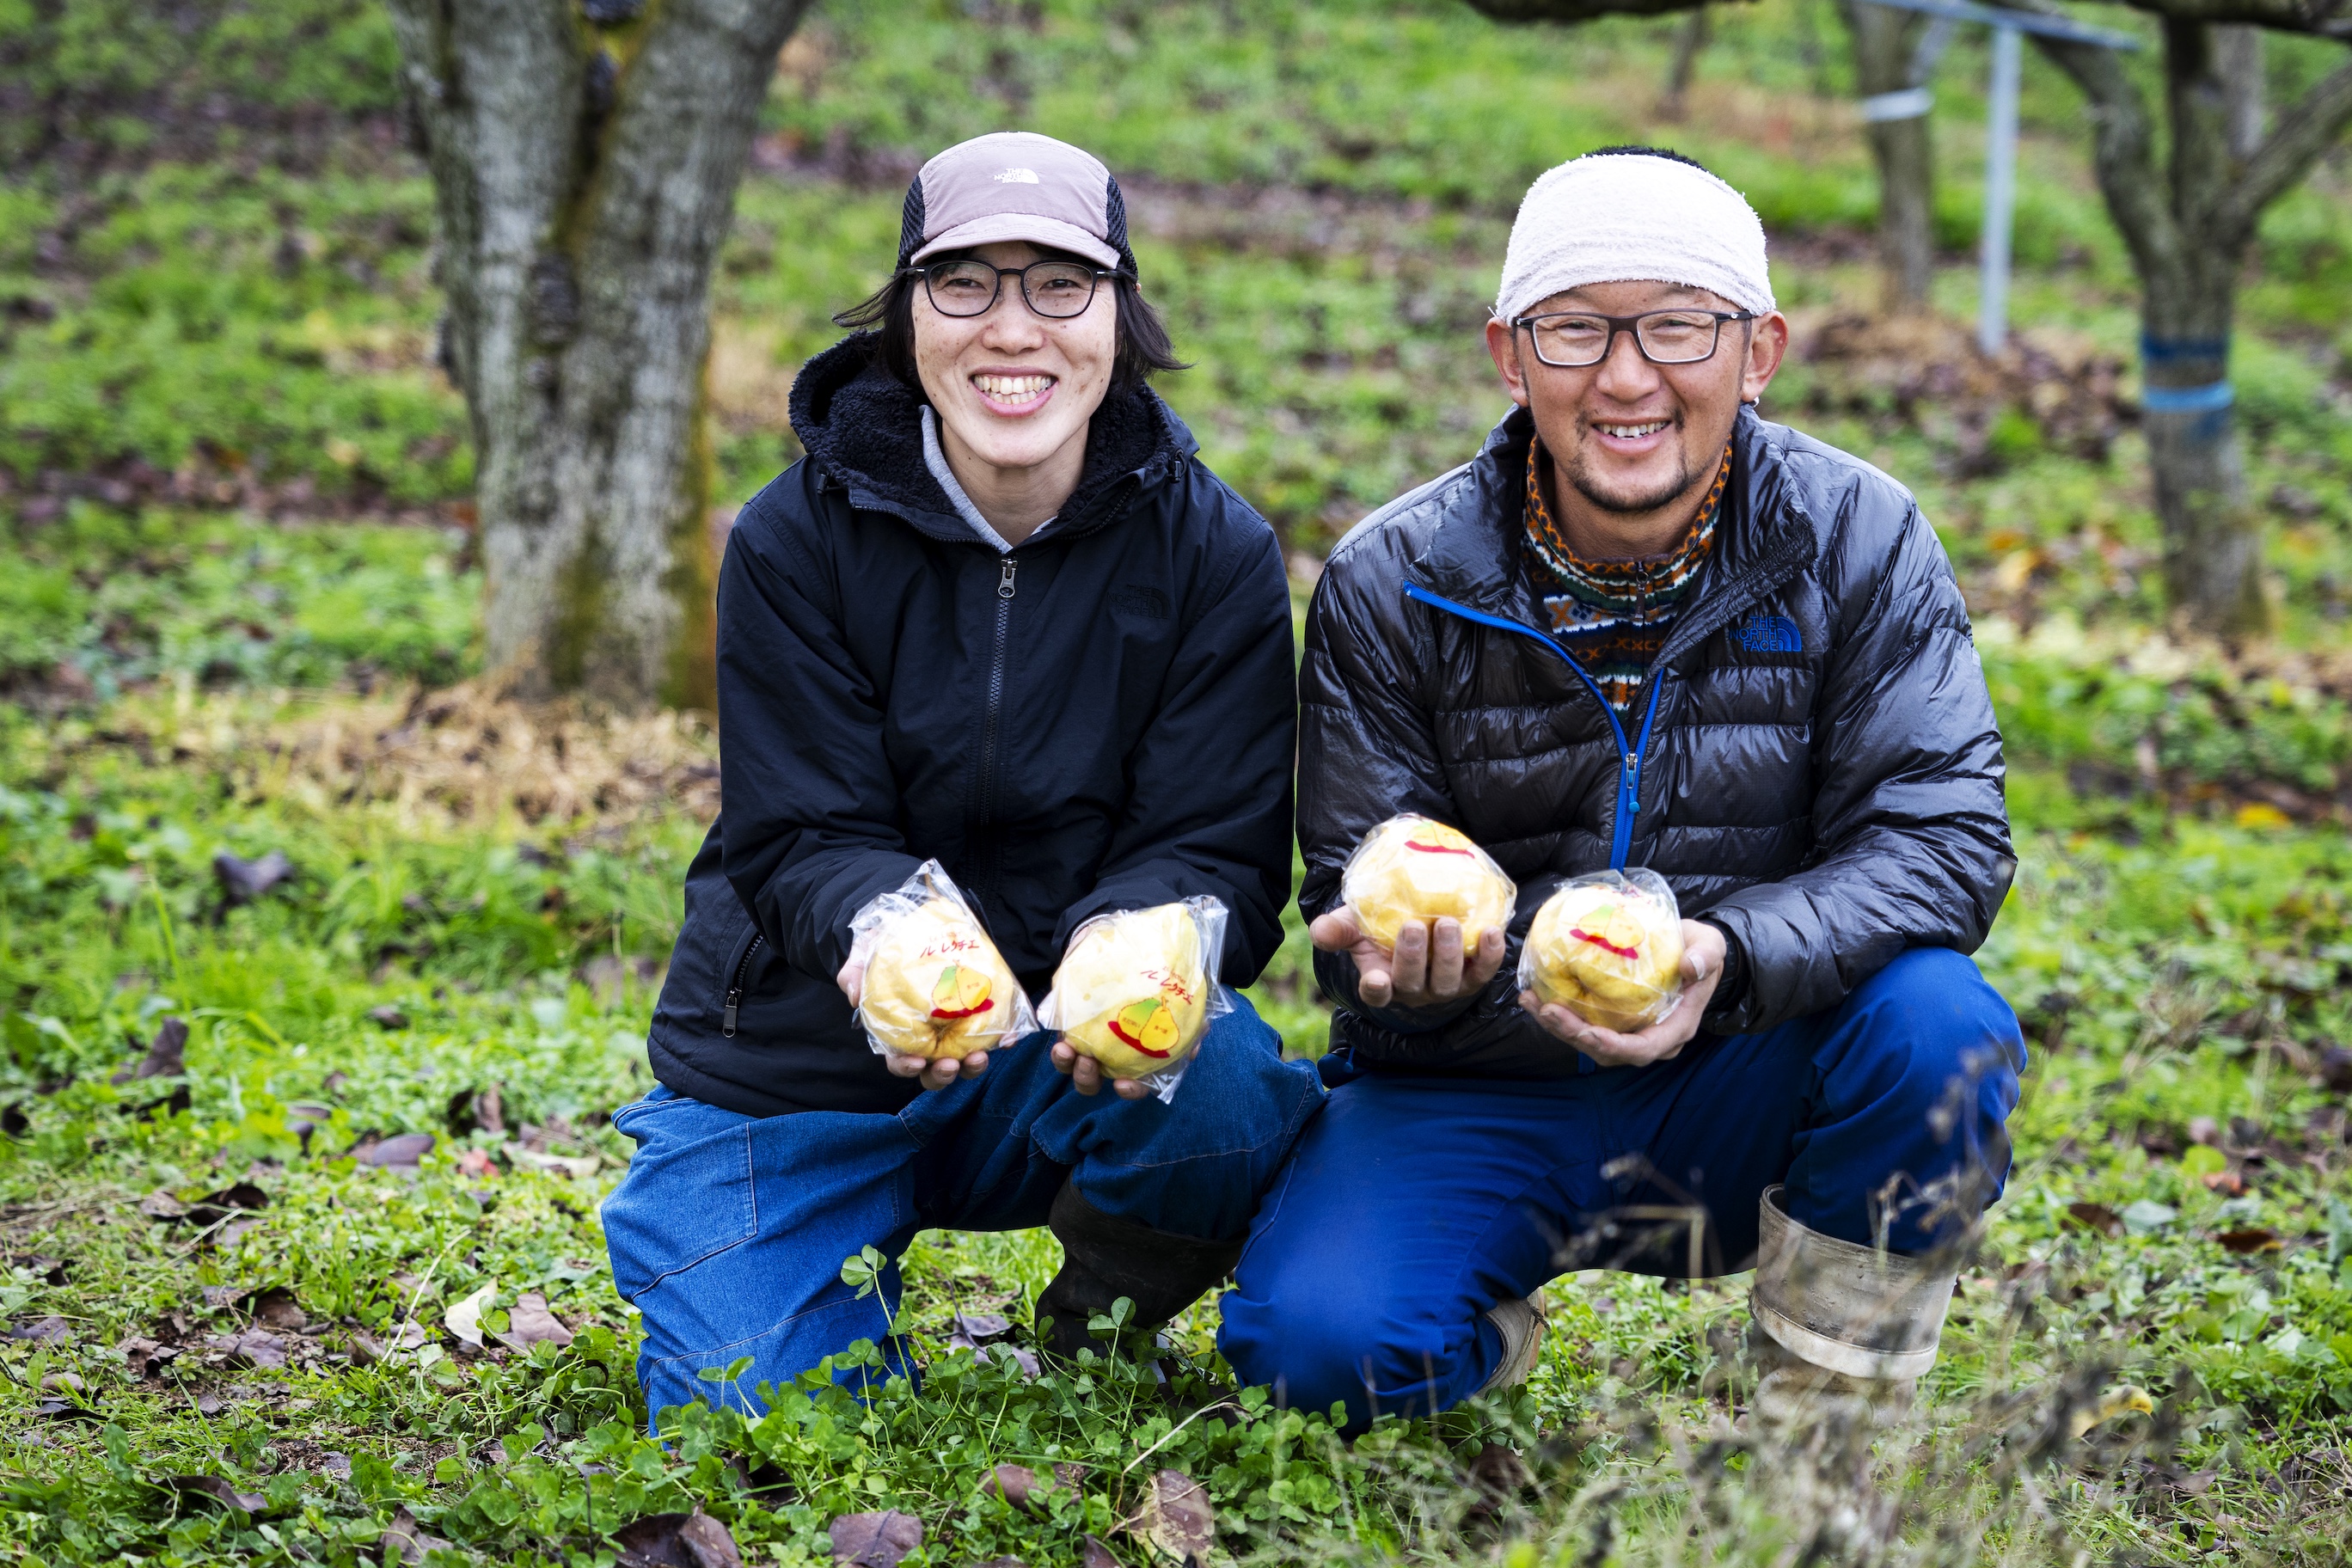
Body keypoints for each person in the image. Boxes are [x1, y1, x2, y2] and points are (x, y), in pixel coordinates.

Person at [1218, 147, 2023, 1431]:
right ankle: (1468, 1308)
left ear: (1757, 351)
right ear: (1509, 354)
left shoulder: (1861, 538)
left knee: (1939, 1027)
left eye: (1678, 325)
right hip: (1473, 1081)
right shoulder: (1394, 578)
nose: (1627, 374)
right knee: (1314, 1352)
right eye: (1577, 327)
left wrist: (1728, 953)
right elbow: (1349, 884)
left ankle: (1828, 1425)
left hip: (1745, 1062)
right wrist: (1399, 964)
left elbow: (1942, 842)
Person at [601, 132, 1323, 1423]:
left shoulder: (1212, 552)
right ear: (907, 315)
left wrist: (1140, 939)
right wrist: (891, 930)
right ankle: (804, 1280)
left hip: (1062, 1055)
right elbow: (798, 832)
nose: (1014, 331)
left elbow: (1219, 846)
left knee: (1227, 1098)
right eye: (965, 285)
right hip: (802, 1062)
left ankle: (1100, 1319)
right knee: (753, 1411)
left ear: (1118, 312)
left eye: (1060, 285)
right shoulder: (791, 540)